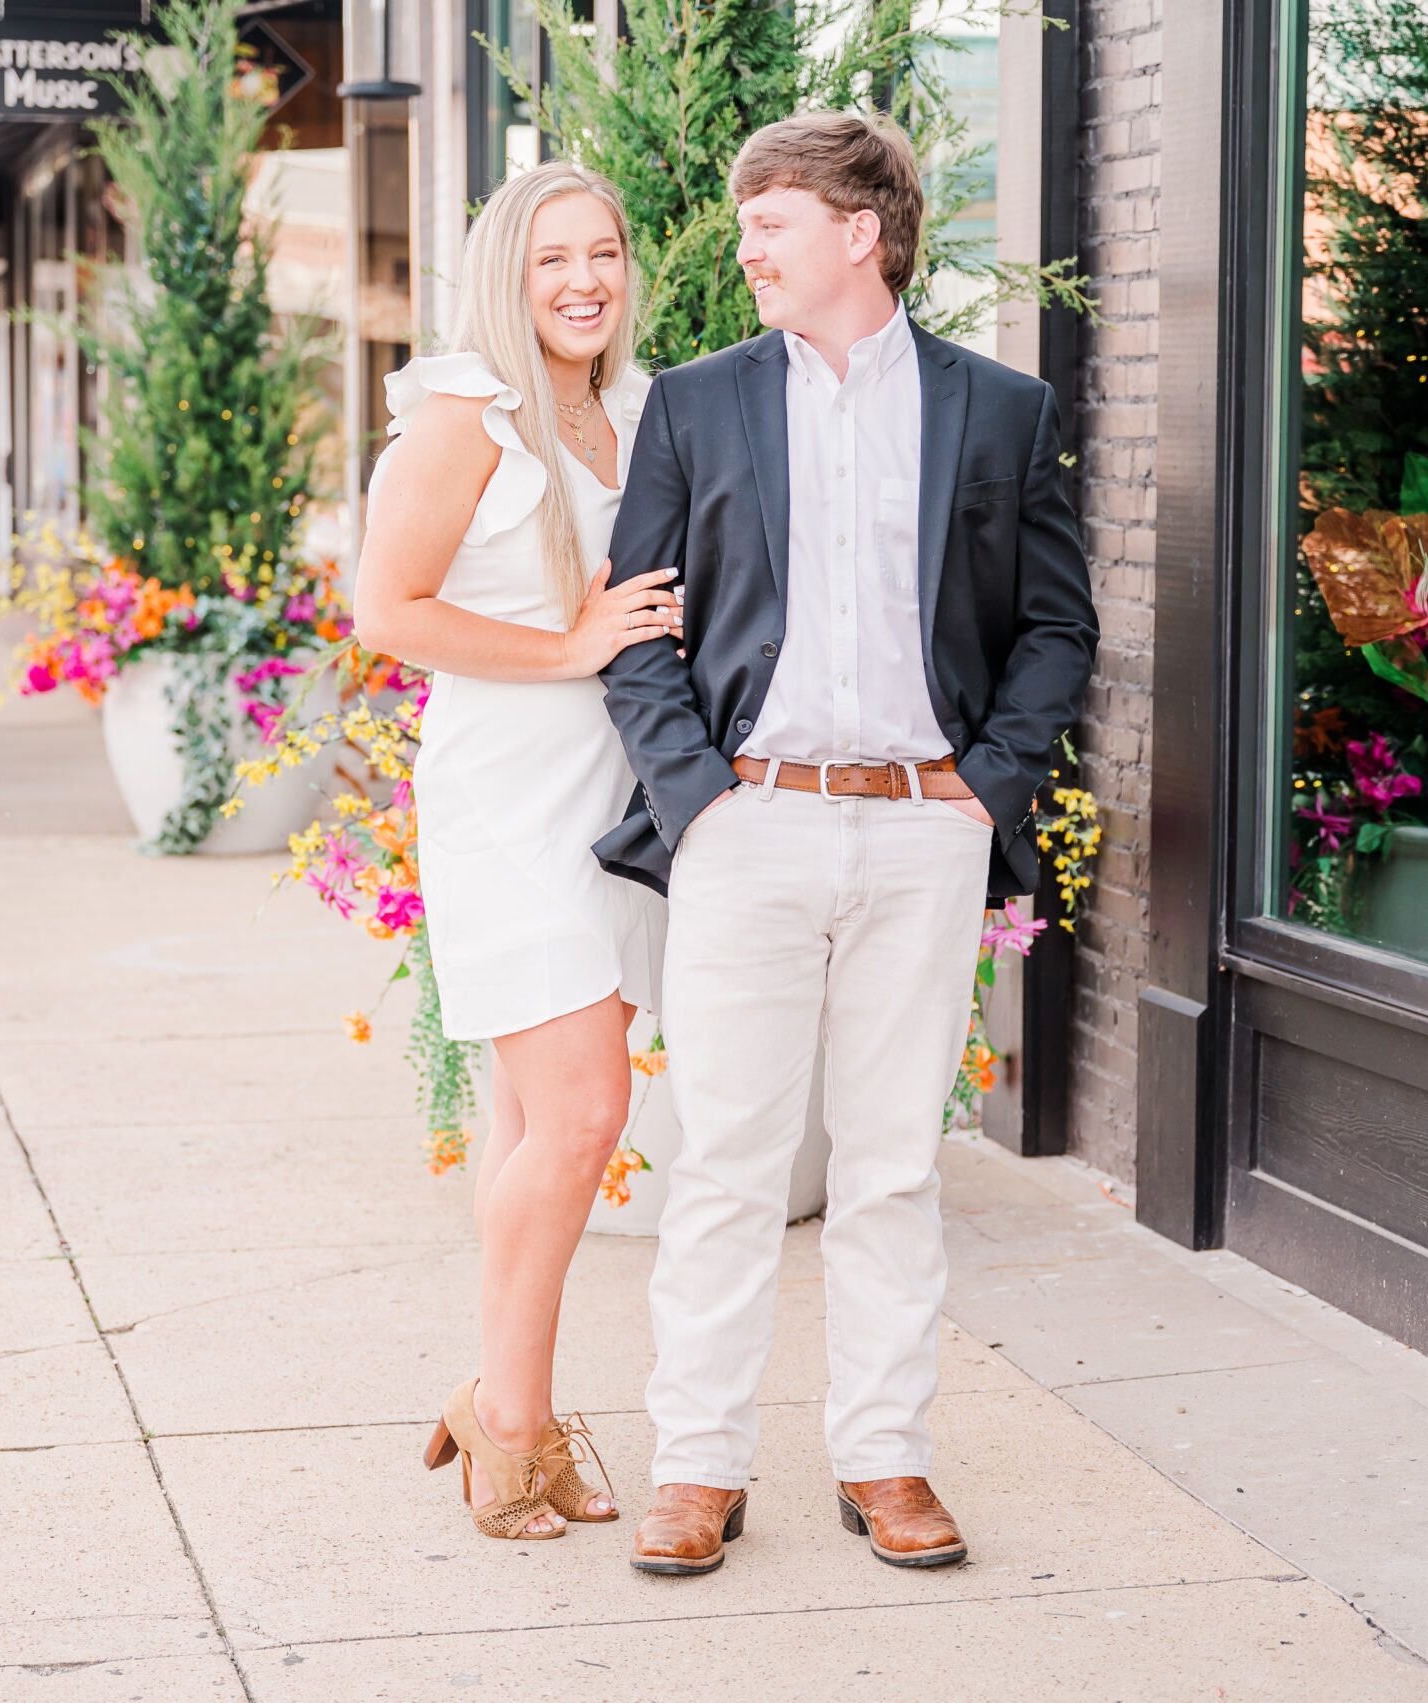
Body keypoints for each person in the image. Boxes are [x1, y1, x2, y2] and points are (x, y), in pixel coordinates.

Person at [596, 112, 1099, 1576]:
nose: (745, 244)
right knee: (730, 1162)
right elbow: (640, 631)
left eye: (773, 220)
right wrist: (702, 806)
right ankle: (697, 1463)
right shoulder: (695, 405)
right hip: (750, 824)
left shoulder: (999, 411)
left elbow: (1056, 624)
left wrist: (984, 790)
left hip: (921, 835)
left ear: (860, 235)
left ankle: (885, 1458)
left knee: (889, 1167)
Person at [351, 161, 682, 1542]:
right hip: (508, 800)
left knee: (531, 1122)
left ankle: (508, 1398)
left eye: (602, 253)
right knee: (588, 1118)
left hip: (615, 798)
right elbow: (385, 609)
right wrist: (566, 648)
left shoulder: (638, 408)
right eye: (553, 259)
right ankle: (511, 1425)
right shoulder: (463, 416)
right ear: (507, 271)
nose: (583, 281)